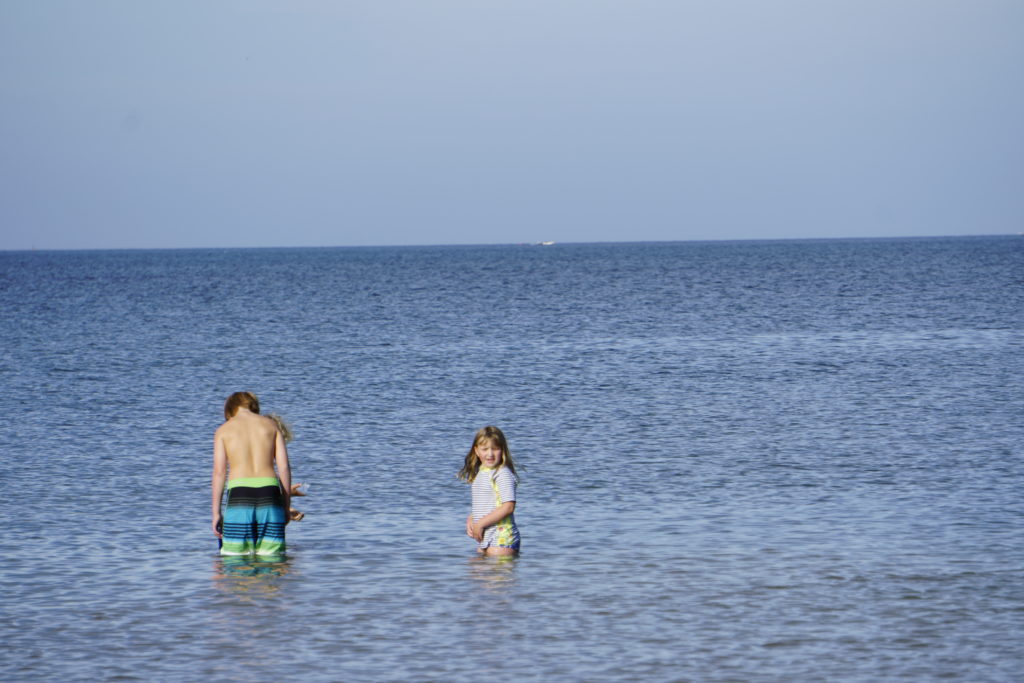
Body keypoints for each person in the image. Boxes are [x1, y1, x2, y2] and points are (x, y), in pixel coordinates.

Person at [211, 392, 291, 556]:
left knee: (235, 561)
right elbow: (284, 468)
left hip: (240, 495)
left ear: (230, 409)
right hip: (270, 493)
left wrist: (216, 513)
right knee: (273, 559)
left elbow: (219, 473)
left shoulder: (223, 430)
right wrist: (286, 506)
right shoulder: (271, 425)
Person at [458, 426, 520, 556]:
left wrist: (480, 524)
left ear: (502, 450)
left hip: (502, 537)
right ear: (476, 451)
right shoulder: (481, 472)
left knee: (494, 574)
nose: (490, 454)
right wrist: (472, 518)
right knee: (475, 573)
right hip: (486, 537)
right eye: (485, 449)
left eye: (495, 449)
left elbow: (508, 507)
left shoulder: (502, 473)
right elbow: (487, 503)